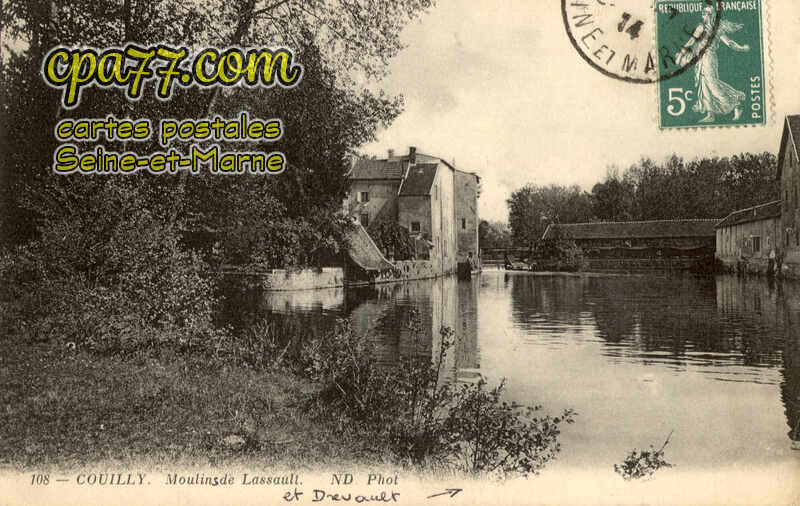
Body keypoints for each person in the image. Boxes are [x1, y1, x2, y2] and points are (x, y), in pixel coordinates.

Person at [675, 6, 751, 123]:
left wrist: (741, 48)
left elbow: (729, 42)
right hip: (700, 58)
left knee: (712, 83)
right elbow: (690, 42)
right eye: (703, 13)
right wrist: (680, 55)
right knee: (703, 84)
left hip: (709, 57)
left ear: (711, 15)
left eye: (705, 14)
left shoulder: (717, 28)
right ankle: (710, 114)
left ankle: (736, 103)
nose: (703, 16)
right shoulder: (700, 27)